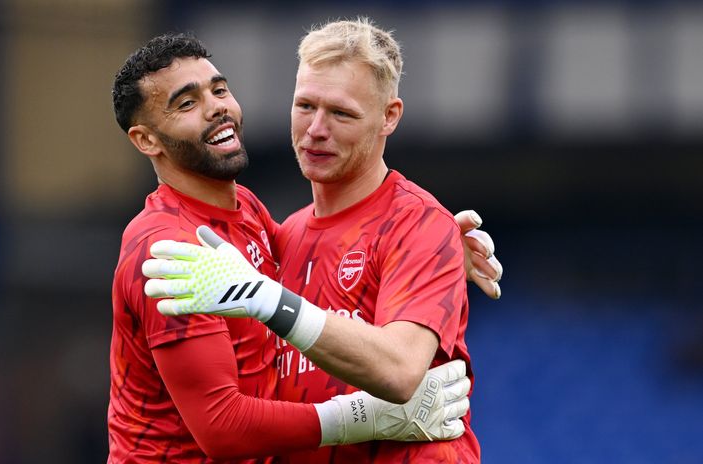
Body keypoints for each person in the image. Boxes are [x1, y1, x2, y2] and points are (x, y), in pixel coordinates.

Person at [143, 18, 490, 463]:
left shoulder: (418, 223)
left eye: (341, 113)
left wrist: (268, 299)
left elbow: (400, 371)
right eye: (305, 106)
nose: (316, 130)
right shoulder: (282, 238)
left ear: (390, 117)